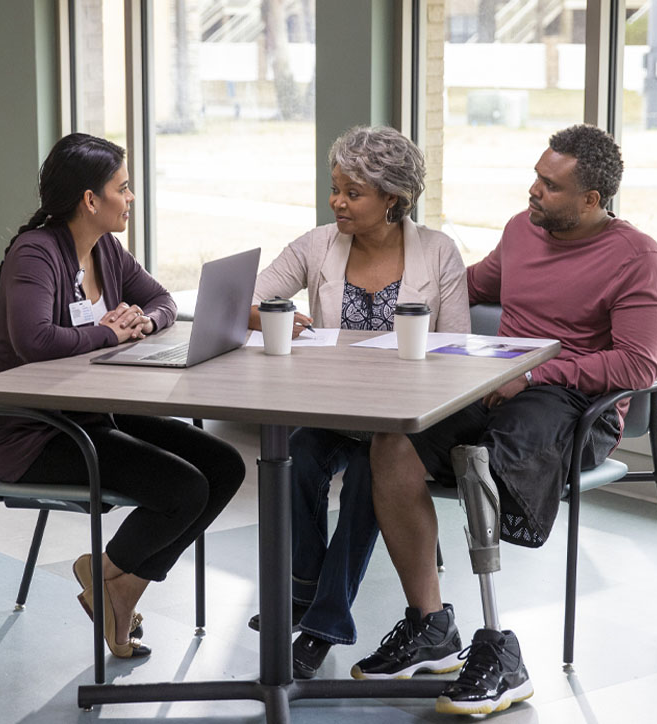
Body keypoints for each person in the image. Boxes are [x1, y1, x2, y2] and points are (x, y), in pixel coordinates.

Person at [354, 124, 657, 715]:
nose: (533, 191)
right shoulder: (522, 230)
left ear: (591, 201)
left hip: (578, 407)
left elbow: (636, 362)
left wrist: (535, 374)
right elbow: (468, 286)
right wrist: (384, 293)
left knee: (479, 466)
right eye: (535, 176)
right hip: (499, 381)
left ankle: (501, 655)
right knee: (394, 439)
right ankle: (431, 626)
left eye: (549, 186)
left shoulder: (637, 259)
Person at [0, 133, 246, 659]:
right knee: (185, 490)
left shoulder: (105, 249)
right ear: (89, 200)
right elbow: (35, 341)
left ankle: (116, 583)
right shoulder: (36, 254)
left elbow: (163, 300)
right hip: (34, 433)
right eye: (122, 189)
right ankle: (106, 580)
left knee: (225, 465)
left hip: (92, 414)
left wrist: (145, 319)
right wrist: (111, 332)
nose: (130, 199)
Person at [247, 125, 470, 678]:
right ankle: (301, 593)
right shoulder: (317, 245)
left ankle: (322, 625)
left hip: (404, 423)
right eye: (335, 188)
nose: (337, 202)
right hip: (336, 411)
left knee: (374, 479)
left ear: (393, 199)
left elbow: (461, 350)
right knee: (294, 456)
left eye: (352, 192)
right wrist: (269, 316)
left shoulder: (438, 253)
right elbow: (249, 297)